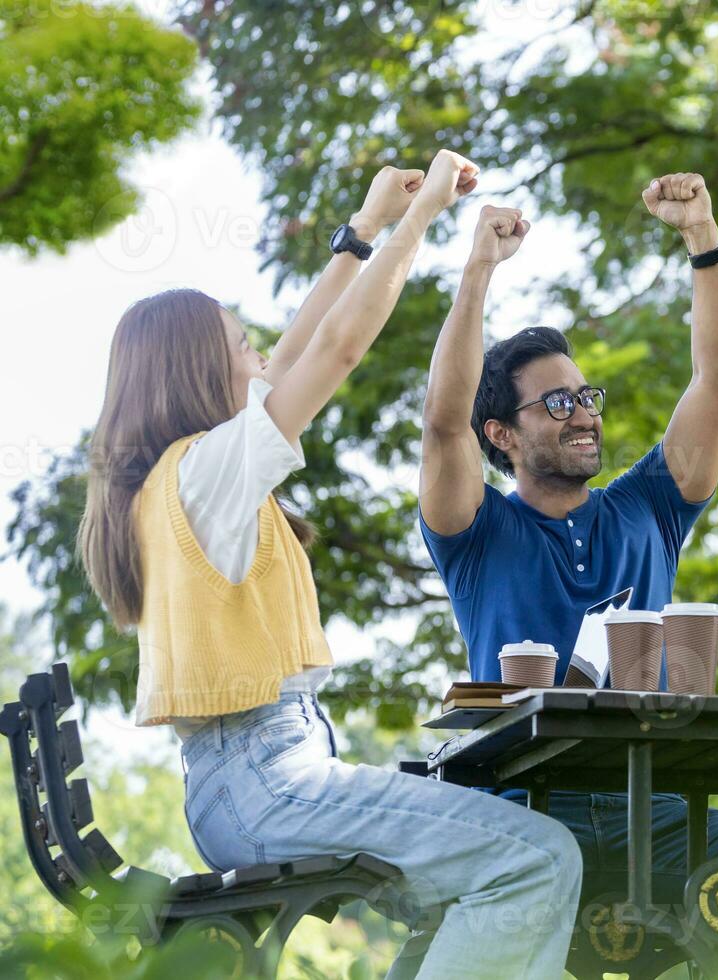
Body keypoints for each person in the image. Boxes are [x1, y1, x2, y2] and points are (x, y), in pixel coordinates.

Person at [79, 151, 581, 980]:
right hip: (267, 780)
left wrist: (366, 227)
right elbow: (336, 350)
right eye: (243, 349)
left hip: (249, 781)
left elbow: (304, 344)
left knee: (479, 877)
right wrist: (420, 224)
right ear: (203, 370)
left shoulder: (185, 479)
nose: (262, 360)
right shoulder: (209, 470)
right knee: (536, 860)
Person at [417, 172, 718, 905]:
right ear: (502, 435)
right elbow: (441, 419)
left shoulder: (651, 505)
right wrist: (479, 268)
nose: (584, 414)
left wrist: (702, 240)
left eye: (587, 396)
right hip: (518, 810)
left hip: (650, 804)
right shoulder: (476, 529)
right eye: (557, 402)